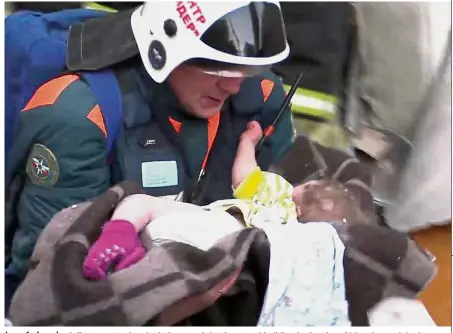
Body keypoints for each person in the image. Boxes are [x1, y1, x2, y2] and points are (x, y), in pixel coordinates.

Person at [5, 1, 295, 312]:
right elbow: (45, 283)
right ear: (162, 48)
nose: (234, 85)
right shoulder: (81, 117)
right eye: (215, 67)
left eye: (246, 69)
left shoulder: (262, 100)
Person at [82, 120, 368, 280]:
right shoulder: (298, 257)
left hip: (222, 227)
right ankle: (131, 262)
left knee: (141, 202)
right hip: (227, 254)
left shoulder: (279, 194)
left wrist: (248, 142)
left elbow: (244, 177)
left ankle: (117, 236)